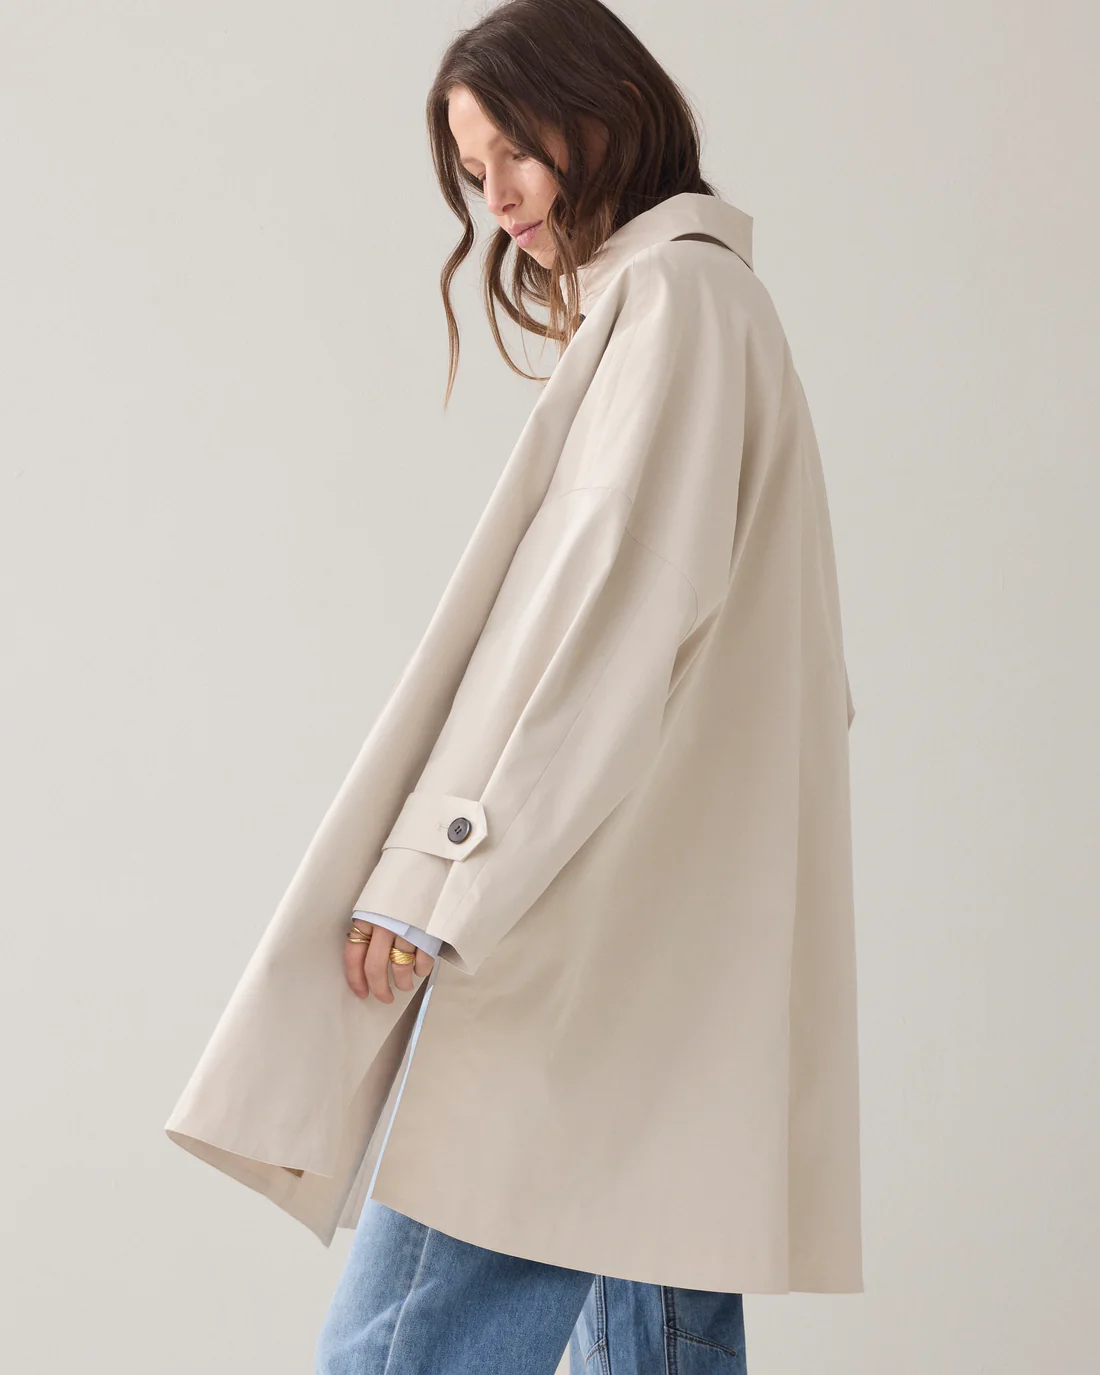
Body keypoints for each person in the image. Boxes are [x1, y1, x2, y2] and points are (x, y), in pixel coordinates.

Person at [164, 1, 863, 1371]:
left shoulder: (676, 304)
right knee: (658, 1332)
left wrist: (441, 873)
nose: (498, 201)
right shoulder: (712, 304)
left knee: (404, 1346)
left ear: (603, 109)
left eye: (515, 153)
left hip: (577, 938)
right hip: (668, 961)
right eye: (473, 173)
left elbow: (604, 630)